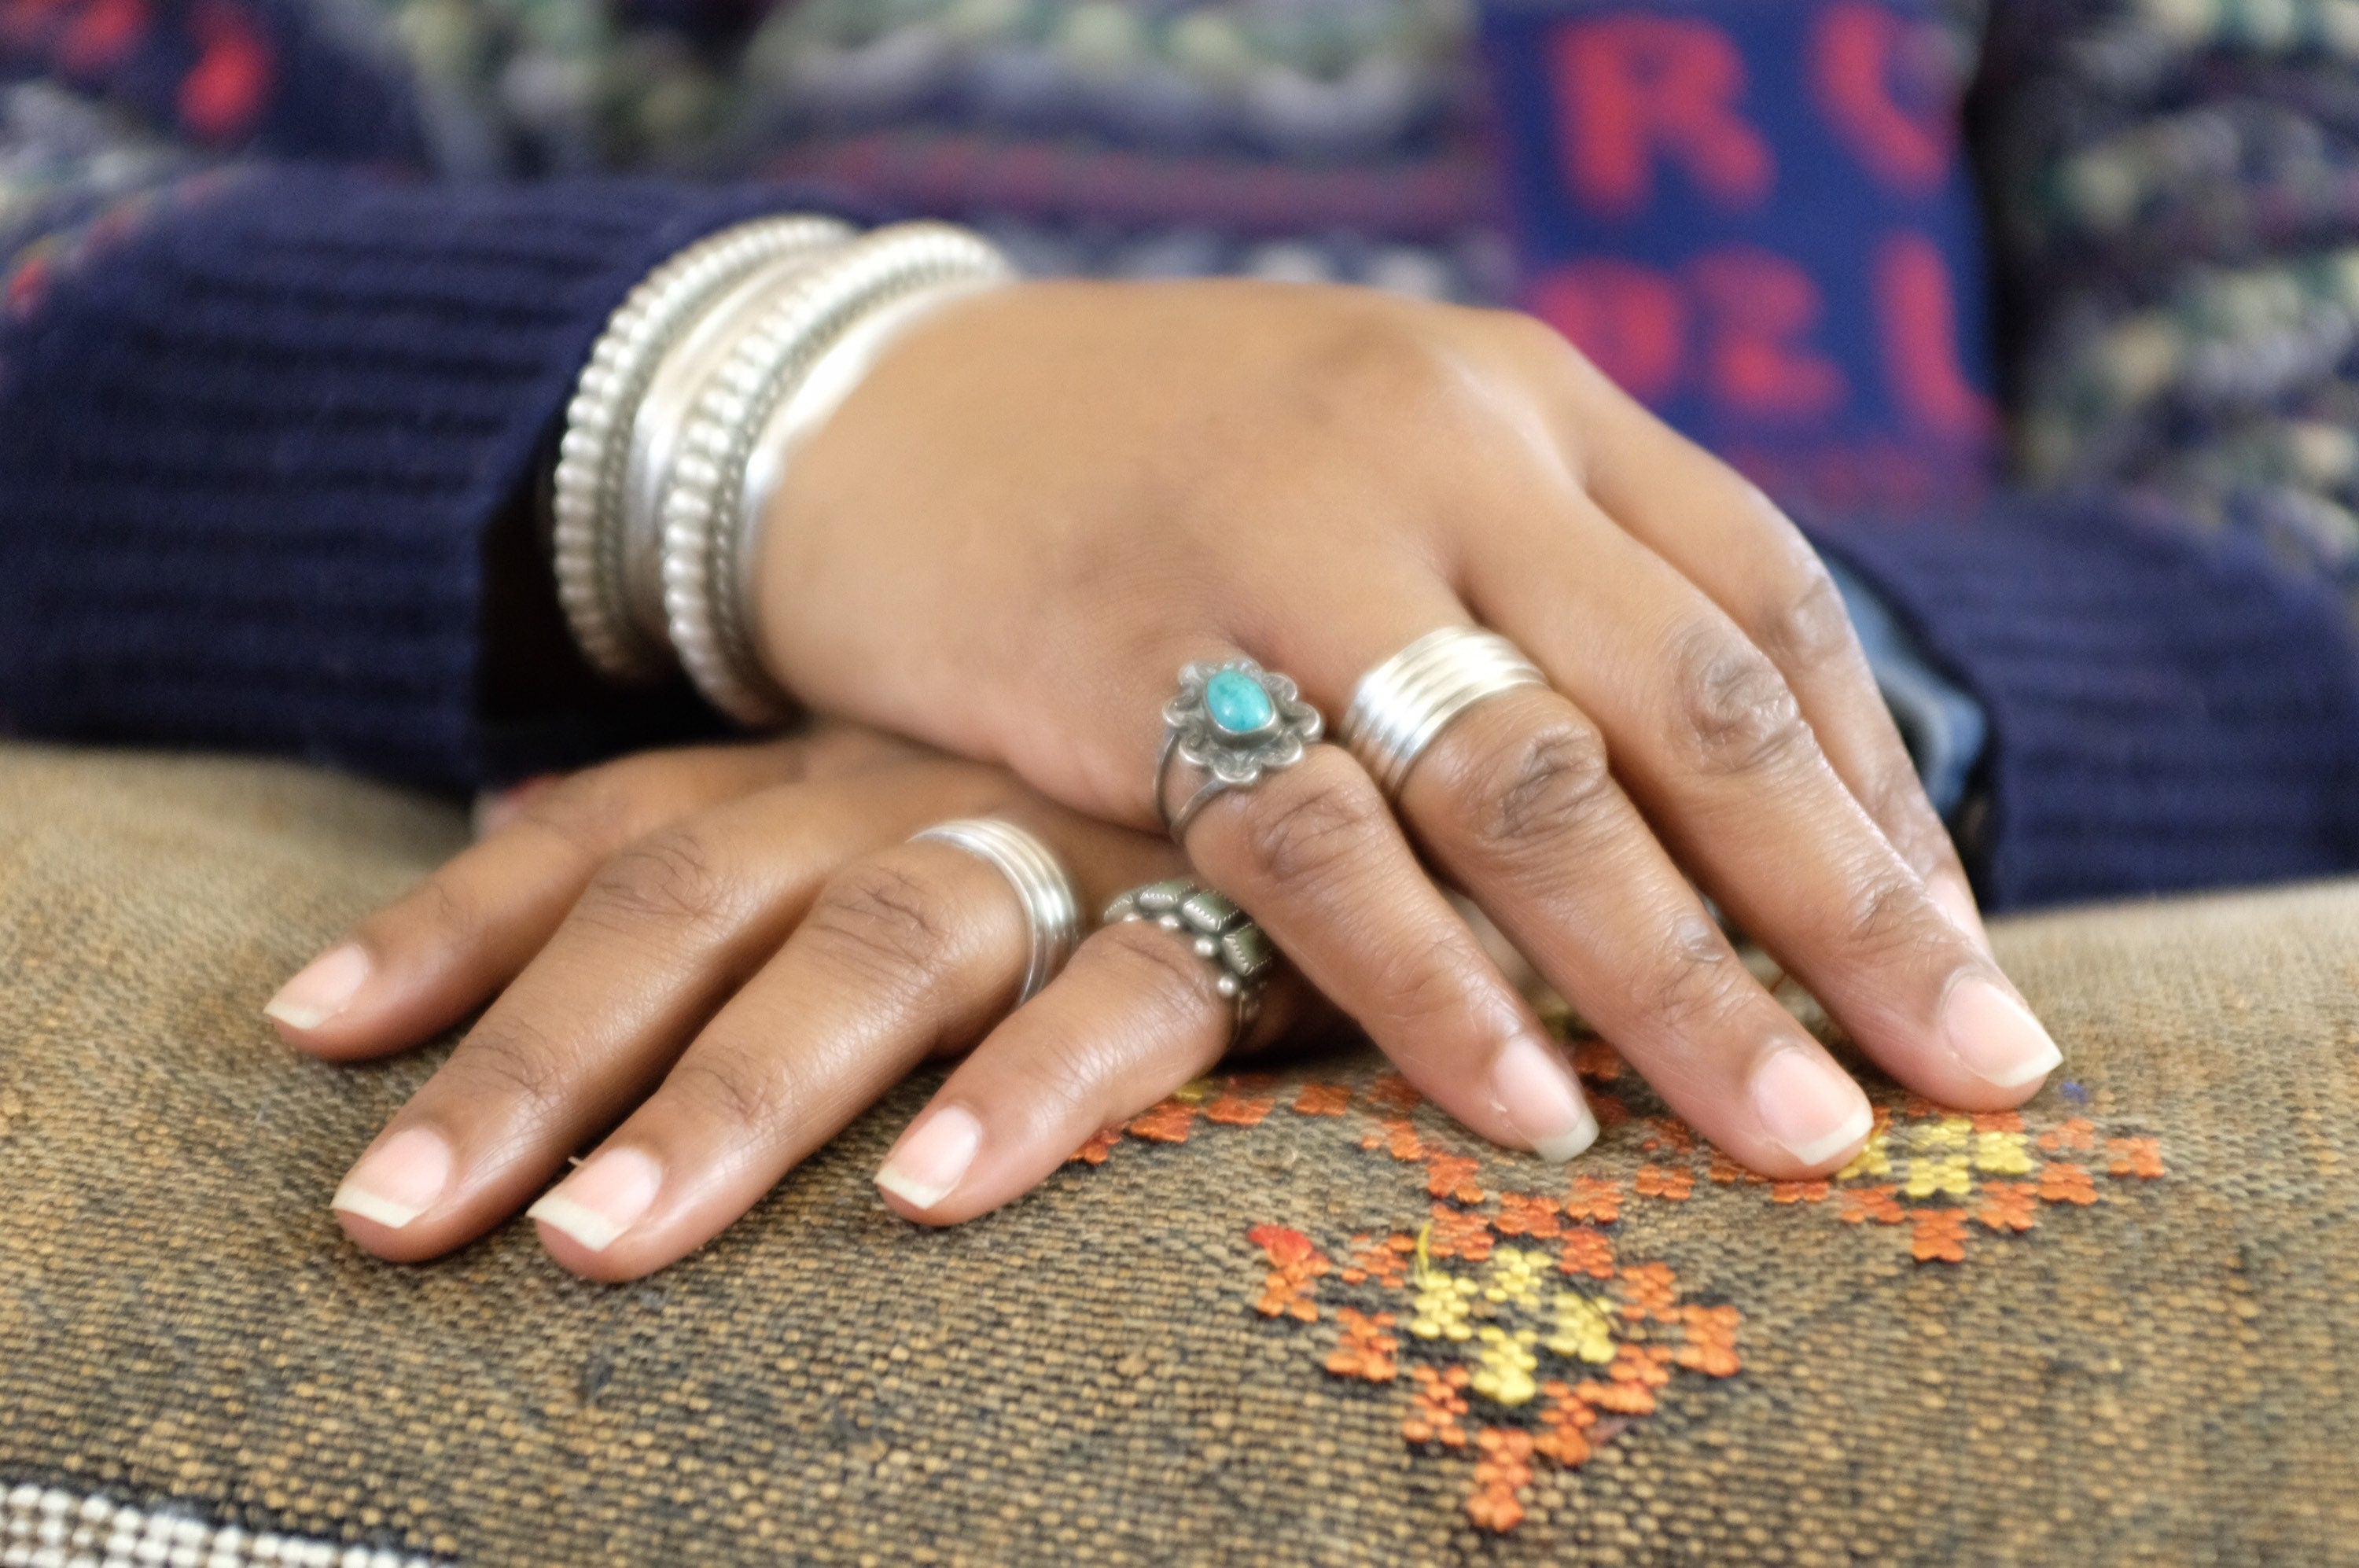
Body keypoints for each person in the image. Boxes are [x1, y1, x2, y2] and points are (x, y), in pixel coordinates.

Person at [3, 0, 2355, 1282]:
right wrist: (799, 421)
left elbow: (2309, 505)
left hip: (1870, 789)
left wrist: (1565, 727)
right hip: (694, 744)